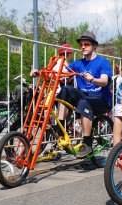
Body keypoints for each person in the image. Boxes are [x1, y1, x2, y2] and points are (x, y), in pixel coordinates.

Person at [31, 31, 112, 159]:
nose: (83, 47)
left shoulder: (103, 62)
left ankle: (86, 143)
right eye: (81, 45)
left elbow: (104, 81)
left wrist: (92, 79)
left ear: (94, 46)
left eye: (87, 44)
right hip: (84, 97)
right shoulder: (77, 64)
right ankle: (60, 126)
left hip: (101, 100)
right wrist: (40, 72)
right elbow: (58, 71)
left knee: (83, 103)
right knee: (66, 90)